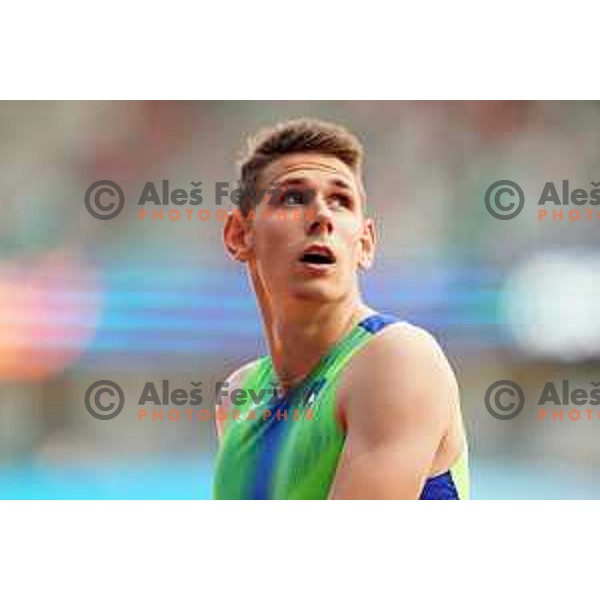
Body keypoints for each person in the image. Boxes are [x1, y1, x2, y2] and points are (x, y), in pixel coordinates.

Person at [213, 118, 469, 499]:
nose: (322, 217)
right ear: (239, 235)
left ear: (365, 243)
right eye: (293, 198)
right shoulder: (239, 396)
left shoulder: (397, 358)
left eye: (340, 201)